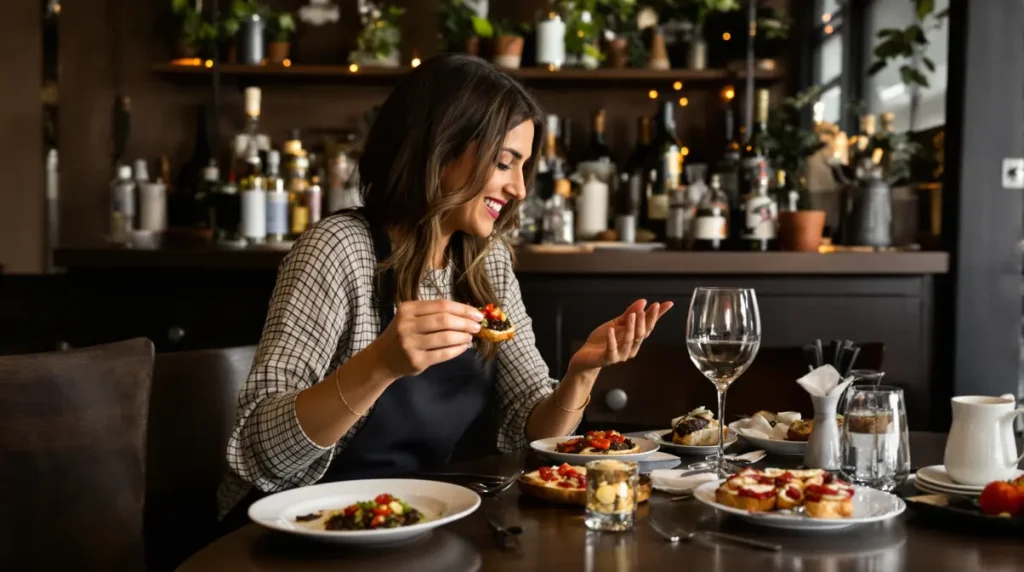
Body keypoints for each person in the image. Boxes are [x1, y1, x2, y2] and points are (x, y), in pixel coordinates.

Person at [217, 54, 673, 525]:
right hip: (299, 526)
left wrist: (581, 374)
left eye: (524, 167)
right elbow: (261, 452)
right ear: (442, 146)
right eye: (504, 163)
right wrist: (379, 365)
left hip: (417, 517)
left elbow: (530, 431)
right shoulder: (339, 249)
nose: (519, 188)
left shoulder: (483, 261)